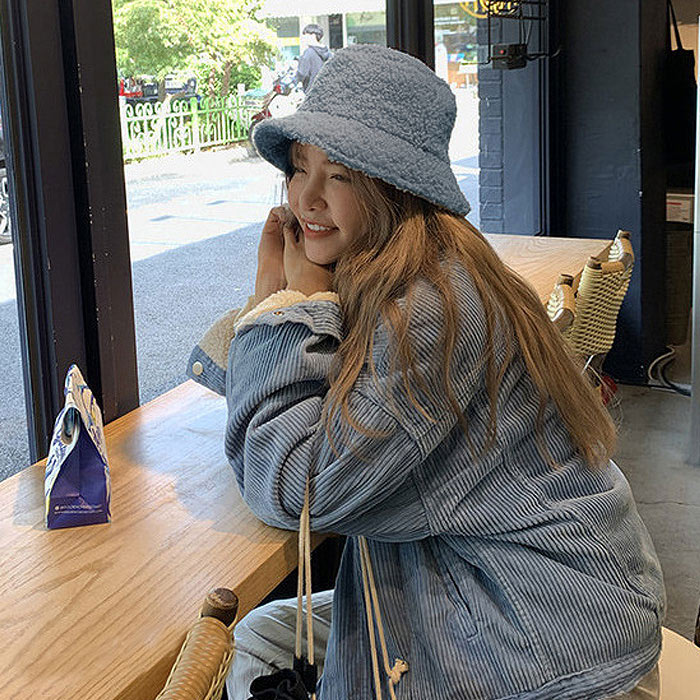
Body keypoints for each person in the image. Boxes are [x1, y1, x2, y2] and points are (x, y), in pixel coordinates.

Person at [187, 45, 665, 700]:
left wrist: (285, 304)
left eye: (340, 175)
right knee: (263, 636)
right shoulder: (414, 269)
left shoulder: (432, 312)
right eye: (299, 168)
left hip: (551, 644)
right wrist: (284, 299)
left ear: (395, 190)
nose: (307, 198)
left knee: (260, 644)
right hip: (493, 580)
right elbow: (290, 396)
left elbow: (293, 488)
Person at [296, 24, 332, 93]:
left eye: (305, 35)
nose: (303, 38)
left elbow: (302, 74)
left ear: (312, 35)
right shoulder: (329, 53)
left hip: (312, 92)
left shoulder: (308, 53)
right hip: (327, 91)